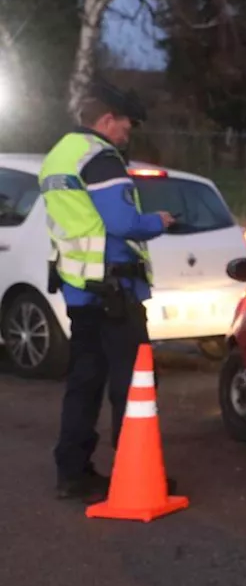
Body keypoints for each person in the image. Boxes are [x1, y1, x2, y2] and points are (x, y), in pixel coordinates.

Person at [40, 79, 175, 502]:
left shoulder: (57, 158)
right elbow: (122, 223)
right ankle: (134, 472)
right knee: (132, 383)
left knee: (83, 381)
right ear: (106, 119)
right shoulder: (99, 157)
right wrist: (160, 220)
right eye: (125, 125)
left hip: (80, 290)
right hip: (115, 290)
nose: (127, 133)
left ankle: (73, 473)